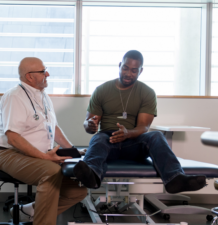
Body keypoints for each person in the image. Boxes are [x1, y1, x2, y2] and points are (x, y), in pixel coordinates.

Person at [0, 57, 87, 225]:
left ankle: (29, 212)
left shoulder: (43, 96)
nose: (48, 74)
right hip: (8, 153)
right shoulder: (15, 96)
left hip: (39, 155)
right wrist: (46, 157)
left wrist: (72, 152)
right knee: (51, 172)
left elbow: (53, 128)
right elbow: (13, 137)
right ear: (29, 76)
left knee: (78, 190)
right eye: (44, 71)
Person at [74, 50, 206, 194]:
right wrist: (89, 125)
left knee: (156, 135)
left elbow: (144, 126)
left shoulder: (147, 92)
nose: (128, 73)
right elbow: (89, 124)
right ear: (120, 65)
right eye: (125, 68)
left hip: (134, 143)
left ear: (140, 71)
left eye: (134, 70)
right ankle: (92, 176)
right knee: (98, 137)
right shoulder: (101, 90)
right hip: (108, 141)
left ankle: (175, 179)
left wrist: (127, 134)